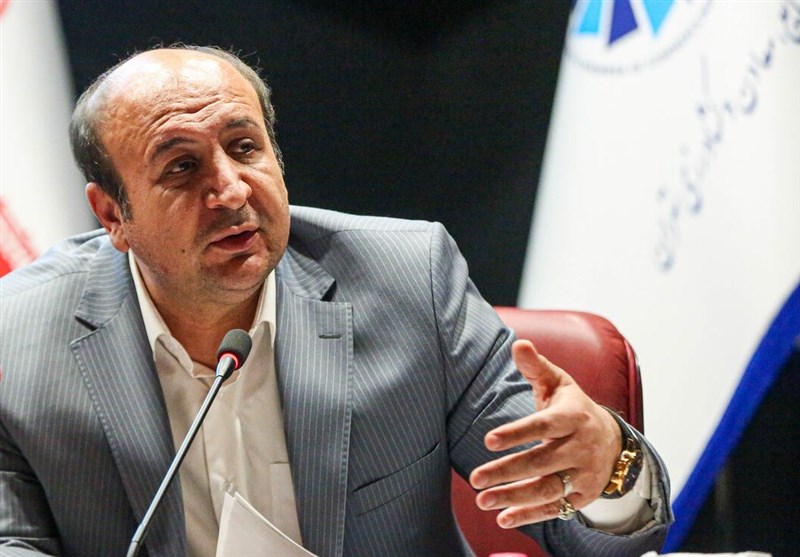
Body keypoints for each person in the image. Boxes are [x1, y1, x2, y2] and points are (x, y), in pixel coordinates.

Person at [0, 45, 671, 557]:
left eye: (244, 147)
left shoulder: (409, 283)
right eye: (182, 167)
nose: (231, 190)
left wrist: (608, 470)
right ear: (112, 214)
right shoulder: (19, 336)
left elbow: (587, 528)